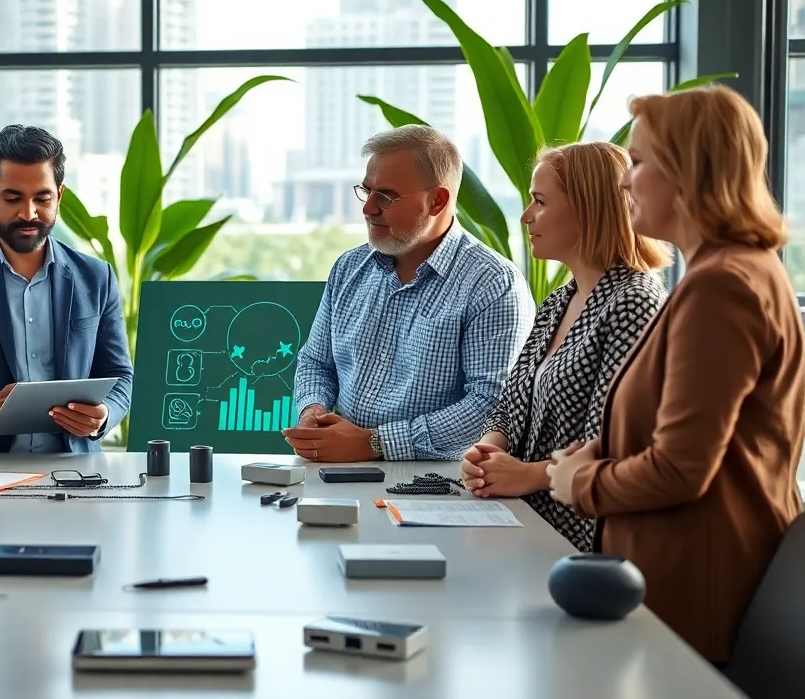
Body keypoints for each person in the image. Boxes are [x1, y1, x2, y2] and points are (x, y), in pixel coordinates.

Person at [547, 85, 805, 665]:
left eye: (638, 163)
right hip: (685, 580)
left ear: (689, 173)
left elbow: (681, 469)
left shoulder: (722, 286)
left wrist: (579, 483)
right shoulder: (731, 272)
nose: (623, 181)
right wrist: (596, 455)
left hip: (696, 596)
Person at [459, 142, 670, 551]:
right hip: (527, 522)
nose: (526, 216)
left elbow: (613, 444)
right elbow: (511, 404)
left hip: (583, 536)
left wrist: (527, 475)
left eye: (539, 202)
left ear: (588, 208)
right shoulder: (559, 300)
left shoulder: (634, 302)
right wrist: (488, 449)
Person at [287, 125, 534, 462]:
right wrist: (312, 410)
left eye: (386, 196)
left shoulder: (493, 283)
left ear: (437, 201)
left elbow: (490, 404)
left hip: (437, 480)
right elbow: (316, 361)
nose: (368, 208)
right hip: (336, 468)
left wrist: (375, 443)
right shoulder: (349, 267)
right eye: (367, 191)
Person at [0, 124, 134, 455]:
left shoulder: (97, 277)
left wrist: (103, 414)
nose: (28, 213)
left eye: (42, 198)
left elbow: (120, 374)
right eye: (12, 198)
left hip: (75, 468)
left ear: (59, 195)